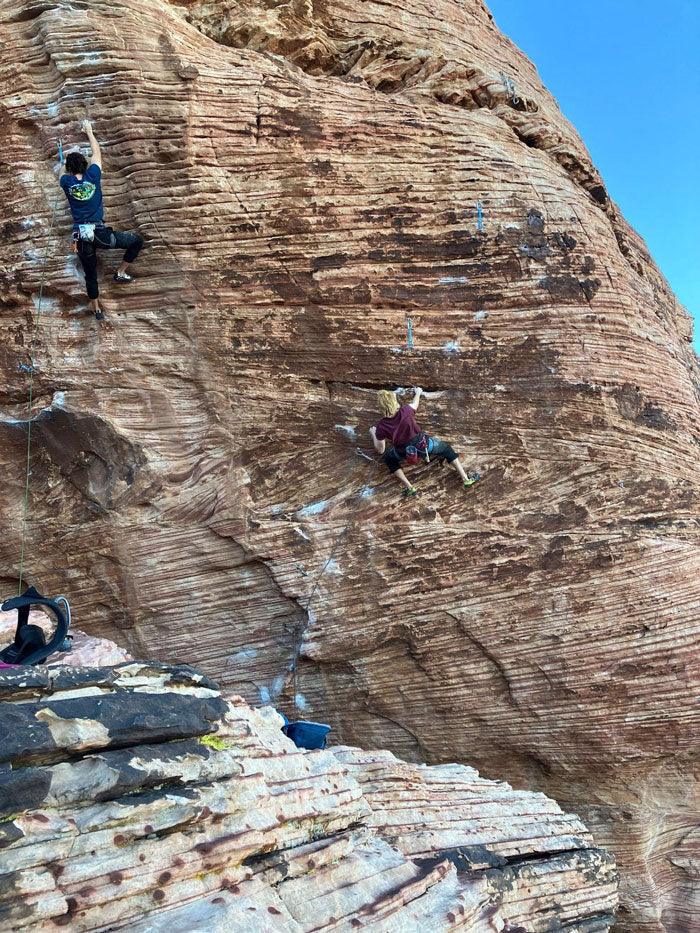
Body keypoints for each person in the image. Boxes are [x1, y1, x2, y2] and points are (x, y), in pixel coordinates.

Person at [59, 120, 144, 320]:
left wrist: (63, 163)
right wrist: (89, 131)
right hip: (101, 235)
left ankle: (96, 309)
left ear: (70, 170)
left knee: (90, 274)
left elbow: (61, 172)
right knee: (136, 241)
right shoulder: (93, 176)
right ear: (85, 165)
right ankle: (120, 272)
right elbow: (97, 154)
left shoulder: (66, 182)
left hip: (80, 237)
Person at [369, 388, 479, 497]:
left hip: (404, 452)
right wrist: (418, 393)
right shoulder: (405, 411)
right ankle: (466, 479)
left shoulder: (382, 426)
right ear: (394, 402)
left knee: (389, 460)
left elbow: (380, 449)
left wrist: (373, 433)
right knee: (447, 449)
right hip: (423, 445)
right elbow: (415, 403)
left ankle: (410, 488)